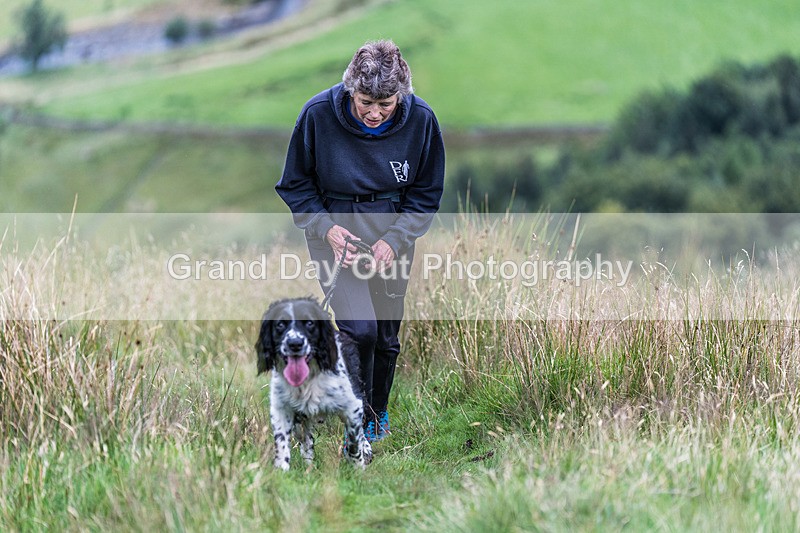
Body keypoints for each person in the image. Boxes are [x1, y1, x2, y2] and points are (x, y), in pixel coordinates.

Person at [275, 39, 445, 442]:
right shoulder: (317, 115)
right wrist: (328, 230)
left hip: (392, 237)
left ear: (400, 95)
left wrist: (395, 240)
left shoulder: (421, 120)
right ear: (352, 89)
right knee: (361, 329)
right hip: (335, 233)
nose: (374, 112)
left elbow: (425, 194)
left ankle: (376, 416)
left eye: (385, 104)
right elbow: (294, 185)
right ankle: (355, 415)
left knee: (386, 337)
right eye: (366, 101)